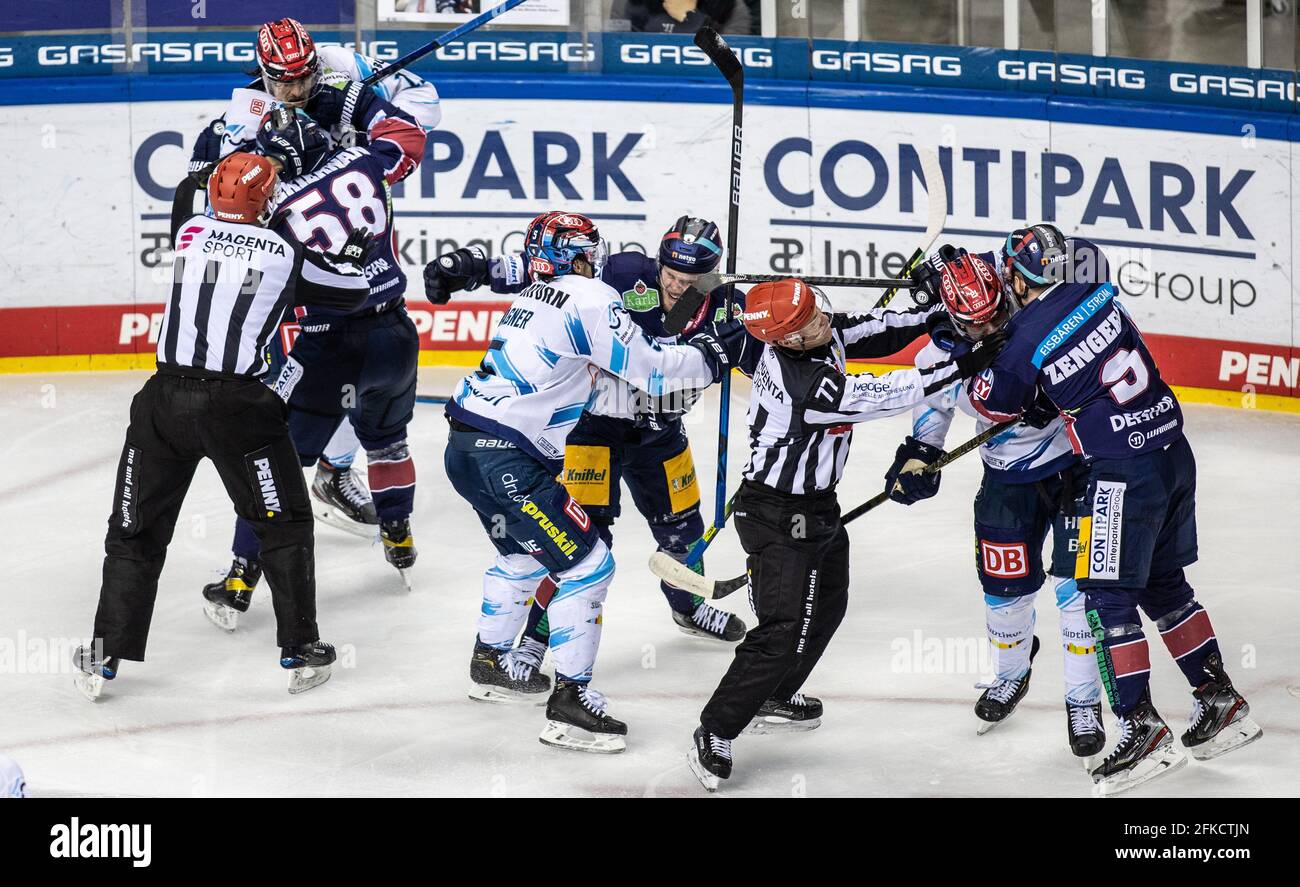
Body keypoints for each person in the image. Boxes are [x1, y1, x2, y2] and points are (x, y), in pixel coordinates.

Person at [969, 223, 1262, 795]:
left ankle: (1142, 729)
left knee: (1104, 600)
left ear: (1018, 279)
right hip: (1173, 451)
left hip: (1120, 473)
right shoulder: (1093, 280)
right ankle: (1218, 700)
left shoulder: (1025, 339)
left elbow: (994, 400)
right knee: (1165, 586)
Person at [74, 152, 372, 700]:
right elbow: (354, 295)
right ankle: (300, 650)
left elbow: (192, 197)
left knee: (134, 531)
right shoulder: (286, 252)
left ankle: (103, 654)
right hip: (238, 410)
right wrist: (350, 253)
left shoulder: (189, 231)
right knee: (282, 524)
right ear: (267, 199)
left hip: (161, 403)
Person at [687, 278, 1005, 790]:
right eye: (809, 322)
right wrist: (964, 363)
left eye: (817, 312)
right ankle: (716, 727)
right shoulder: (805, 382)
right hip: (774, 514)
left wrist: (930, 314)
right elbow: (884, 393)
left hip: (817, 506)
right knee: (779, 629)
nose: (822, 322)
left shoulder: (812, 331)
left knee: (829, 606)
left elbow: (876, 329)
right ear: (786, 341)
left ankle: (776, 693)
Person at [441, 210, 741, 752]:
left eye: (690, 274)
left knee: (671, 529)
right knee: (587, 552)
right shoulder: (610, 283)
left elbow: (536, 267)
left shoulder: (720, 303)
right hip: (586, 435)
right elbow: (650, 367)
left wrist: (747, 334)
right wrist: (717, 356)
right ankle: (558, 685)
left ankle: (496, 658)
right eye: (669, 268)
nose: (675, 281)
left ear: (711, 271)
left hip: (634, 436)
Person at [182, 17, 443, 544]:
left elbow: (418, 121)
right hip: (283, 260)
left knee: (352, 366)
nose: (296, 91)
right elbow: (205, 180)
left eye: (304, 78)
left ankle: (331, 473)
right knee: (312, 377)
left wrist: (360, 158)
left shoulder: (344, 86)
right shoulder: (246, 114)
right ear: (263, 72)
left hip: (347, 240)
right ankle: (312, 479)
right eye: (283, 82)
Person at [200, 103, 428, 631]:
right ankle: (399, 536)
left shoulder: (278, 210)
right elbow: (408, 136)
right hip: (396, 335)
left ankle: (240, 578)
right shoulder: (366, 162)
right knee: (390, 443)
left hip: (329, 347)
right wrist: (359, 100)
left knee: (273, 461)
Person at [883, 245, 1104, 757]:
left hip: (1076, 469)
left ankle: (1083, 701)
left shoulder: (1034, 308)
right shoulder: (938, 355)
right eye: (973, 325)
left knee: (1078, 596)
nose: (988, 330)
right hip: (1005, 482)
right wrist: (918, 460)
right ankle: (1011, 673)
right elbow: (932, 417)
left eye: (995, 315)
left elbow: (1040, 251)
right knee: (1004, 594)